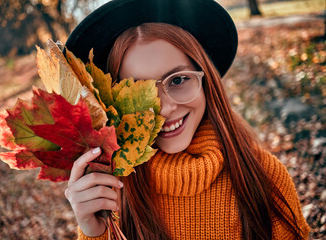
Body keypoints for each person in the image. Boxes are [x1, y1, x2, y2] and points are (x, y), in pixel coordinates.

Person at [64, 0, 310, 239]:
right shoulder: (108, 195)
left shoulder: (265, 177)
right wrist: (95, 232)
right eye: (138, 91)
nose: (165, 108)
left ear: (206, 81)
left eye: (178, 80)